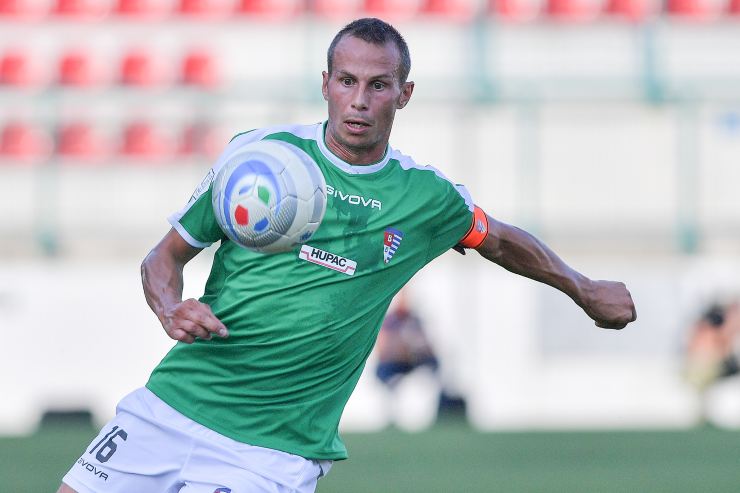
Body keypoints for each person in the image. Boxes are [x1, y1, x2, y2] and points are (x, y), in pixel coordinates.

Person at [58, 17, 636, 493]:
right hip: (171, 404)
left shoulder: (425, 197)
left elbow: (501, 240)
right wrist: (170, 309)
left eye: (378, 85)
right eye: (347, 81)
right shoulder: (259, 158)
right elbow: (163, 257)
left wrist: (583, 289)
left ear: (404, 94)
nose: (359, 101)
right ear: (326, 83)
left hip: (271, 453)